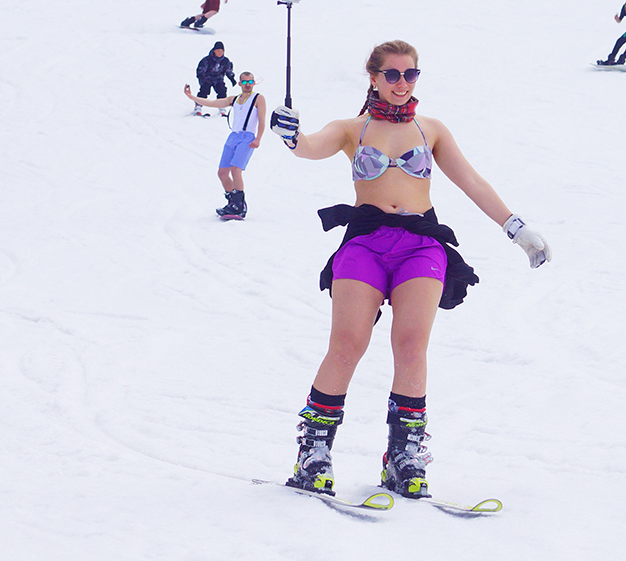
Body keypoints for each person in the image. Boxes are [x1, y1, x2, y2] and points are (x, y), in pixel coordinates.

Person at [268, 40, 551, 499]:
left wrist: (517, 229)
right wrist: (290, 134)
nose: (403, 83)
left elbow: (472, 181)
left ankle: (404, 455)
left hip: (421, 243)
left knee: (411, 344)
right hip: (365, 242)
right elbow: (309, 147)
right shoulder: (350, 129)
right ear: (374, 78)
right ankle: (313, 451)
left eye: (411, 74)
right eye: (394, 75)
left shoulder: (431, 129)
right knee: (348, 344)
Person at [183, 72, 266, 219]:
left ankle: (240, 206)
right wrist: (192, 97)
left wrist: (258, 138)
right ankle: (232, 203)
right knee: (222, 173)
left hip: (247, 137)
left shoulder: (258, 98)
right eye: (245, 82)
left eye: (250, 82)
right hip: (233, 137)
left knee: (236, 170)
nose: (248, 85)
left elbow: (262, 119)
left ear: (254, 83)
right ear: (240, 83)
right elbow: (213, 103)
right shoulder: (234, 99)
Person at [193, 41, 237, 117]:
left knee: (222, 90)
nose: (220, 53)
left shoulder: (225, 61)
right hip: (207, 78)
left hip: (218, 78)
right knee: (204, 90)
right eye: (218, 51)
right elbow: (200, 70)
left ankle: (222, 107)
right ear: (214, 51)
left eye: (221, 51)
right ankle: (198, 106)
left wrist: (232, 78)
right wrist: (202, 78)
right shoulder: (207, 60)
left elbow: (228, 70)